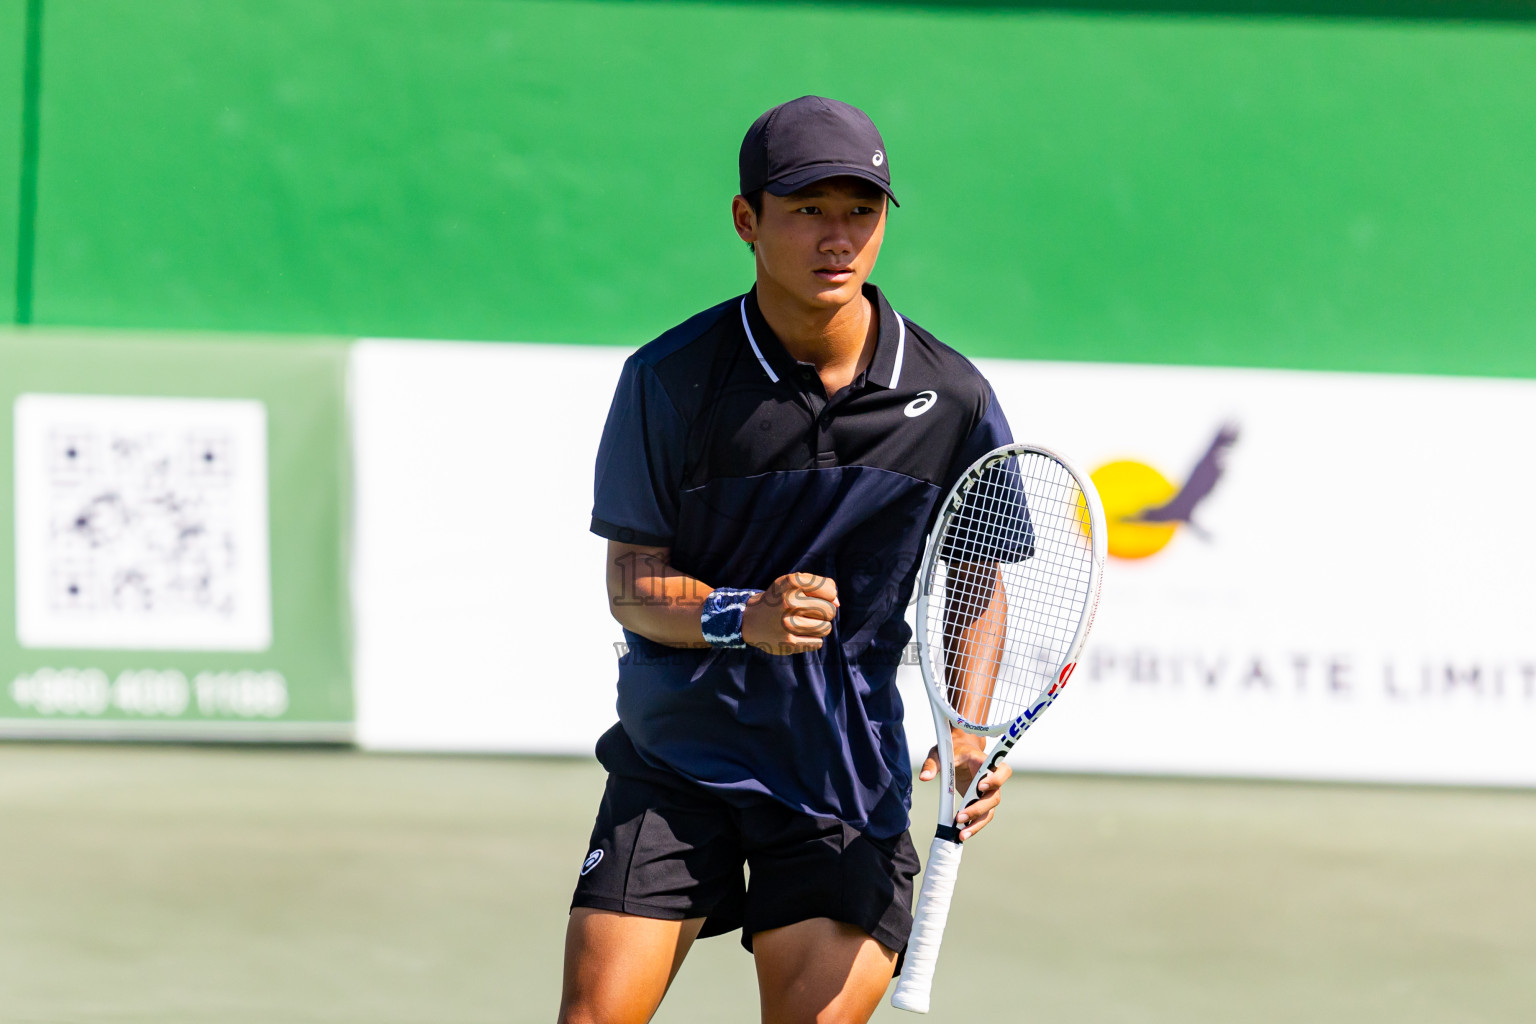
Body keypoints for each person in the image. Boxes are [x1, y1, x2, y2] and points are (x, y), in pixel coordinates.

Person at [560, 95, 1018, 1024]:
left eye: (861, 210)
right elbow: (630, 584)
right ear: (748, 220)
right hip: (679, 762)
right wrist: (743, 617)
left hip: (841, 782)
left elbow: (979, 574)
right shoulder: (670, 381)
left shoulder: (953, 398)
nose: (838, 237)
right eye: (808, 209)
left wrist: (969, 723)